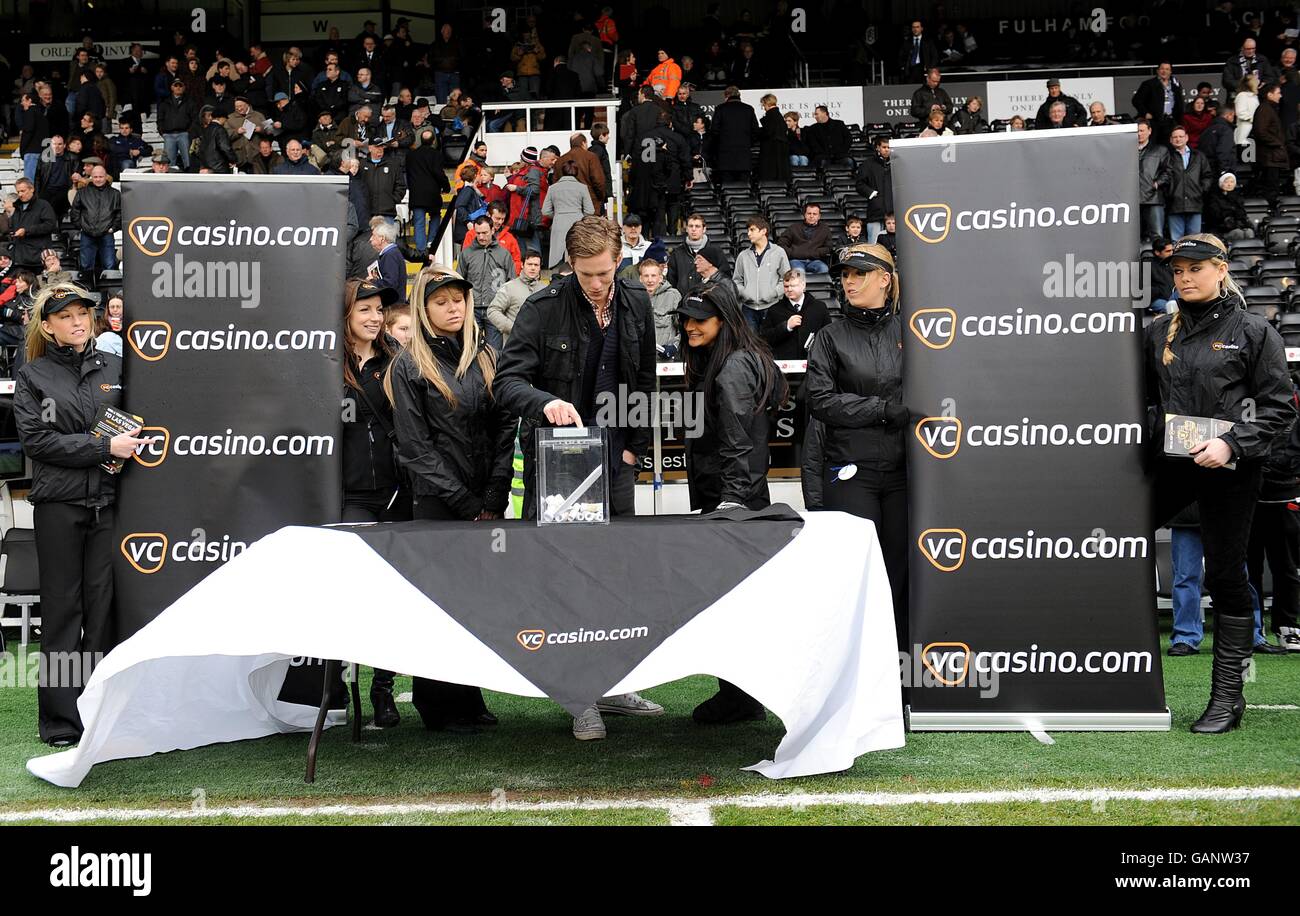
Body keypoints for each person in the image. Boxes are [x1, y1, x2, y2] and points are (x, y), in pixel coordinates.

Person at [493, 216, 662, 740]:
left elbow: (648, 381)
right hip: (557, 466)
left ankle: (614, 684)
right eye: (586, 273)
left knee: (616, 577)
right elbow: (506, 383)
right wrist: (547, 403)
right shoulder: (542, 308)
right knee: (567, 582)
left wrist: (635, 451)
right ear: (570, 265)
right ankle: (578, 694)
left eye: (605, 272)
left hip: (615, 462)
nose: (596, 283)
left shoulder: (635, 301)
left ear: (620, 261)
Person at [1144, 234, 1294, 732]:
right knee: (1115, 545)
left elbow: (1279, 408)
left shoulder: (1254, 330)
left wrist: (1232, 444)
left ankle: (1227, 698)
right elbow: (1139, 401)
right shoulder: (1157, 331)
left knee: (1226, 574)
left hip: (1231, 466)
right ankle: (1105, 673)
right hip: (1169, 463)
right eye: (1178, 270)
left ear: (1221, 269)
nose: (1184, 277)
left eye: (1195, 269)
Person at [14, 284, 150, 746]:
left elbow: (142, 424)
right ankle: (60, 723)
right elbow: (38, 444)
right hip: (59, 507)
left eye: (82, 314)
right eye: (66, 316)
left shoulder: (116, 367)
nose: (78, 322)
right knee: (62, 612)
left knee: (102, 610)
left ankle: (97, 712)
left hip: (109, 506)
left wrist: (123, 446)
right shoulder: (34, 375)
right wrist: (102, 447)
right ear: (47, 326)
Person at [385, 266, 513, 732]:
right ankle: (437, 704)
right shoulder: (408, 365)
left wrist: (496, 490)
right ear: (424, 307)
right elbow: (415, 447)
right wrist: (464, 501)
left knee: (476, 601)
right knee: (438, 603)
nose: (453, 307)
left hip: (486, 495)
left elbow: (504, 426)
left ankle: (469, 694)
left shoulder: (484, 351)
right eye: (441, 301)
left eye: (458, 298)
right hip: (440, 501)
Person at [675, 281, 788, 724]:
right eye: (685, 318)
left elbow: (739, 444)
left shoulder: (734, 368)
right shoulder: (731, 361)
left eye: (700, 319)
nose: (689, 327)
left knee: (732, 604)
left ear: (724, 320)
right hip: (733, 499)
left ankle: (742, 698)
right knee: (736, 603)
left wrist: (729, 505)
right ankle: (740, 696)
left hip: (733, 504)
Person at [807, 243, 909, 652]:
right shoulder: (830, 337)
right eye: (845, 274)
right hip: (851, 471)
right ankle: (855, 677)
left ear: (885, 279)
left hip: (905, 473)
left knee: (900, 576)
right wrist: (882, 409)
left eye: (858, 273)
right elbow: (820, 400)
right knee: (855, 577)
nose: (848, 281)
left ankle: (902, 679)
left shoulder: (912, 330)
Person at [340, 278, 411, 727]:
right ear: (346, 313)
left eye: (377, 309)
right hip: (349, 496)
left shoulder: (399, 361)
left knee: (392, 594)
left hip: (397, 492)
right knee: (351, 594)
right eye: (362, 308)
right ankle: (341, 689)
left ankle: (382, 689)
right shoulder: (324, 361)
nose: (372, 316)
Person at [460, 215, 517, 350]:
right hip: (472, 309)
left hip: (495, 310)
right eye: (478, 233)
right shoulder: (466, 254)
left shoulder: (504, 254)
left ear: (492, 230)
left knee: (494, 352)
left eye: (484, 232)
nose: (481, 237)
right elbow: (460, 282)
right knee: (472, 351)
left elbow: (511, 284)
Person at [732, 216, 790, 333]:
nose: (748, 234)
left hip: (772, 307)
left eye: (752, 230)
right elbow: (737, 280)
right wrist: (745, 293)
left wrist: (773, 293)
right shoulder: (743, 256)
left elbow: (786, 278)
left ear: (763, 231)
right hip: (748, 309)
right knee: (750, 345)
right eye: (748, 230)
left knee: (770, 343)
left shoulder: (778, 252)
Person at [760, 268, 831, 360]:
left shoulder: (819, 307)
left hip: (813, 363)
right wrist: (786, 327)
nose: (789, 289)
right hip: (785, 365)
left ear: (803, 285)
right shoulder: (774, 310)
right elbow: (765, 338)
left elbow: (828, 335)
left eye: (793, 286)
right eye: (786, 286)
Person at [540, 160, 594, 269]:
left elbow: (545, 211)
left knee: (557, 257)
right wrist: (580, 215)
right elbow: (590, 210)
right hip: (577, 223)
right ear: (576, 172)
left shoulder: (553, 188)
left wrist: (557, 215)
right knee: (576, 254)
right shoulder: (582, 188)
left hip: (559, 222)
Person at [69, 164, 120, 277]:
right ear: (91, 177)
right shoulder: (82, 192)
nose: (98, 179)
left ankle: (110, 293)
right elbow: (75, 211)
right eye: (95, 177)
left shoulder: (115, 194)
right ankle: (88, 292)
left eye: (100, 176)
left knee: (109, 266)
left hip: (107, 233)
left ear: (106, 176)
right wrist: (80, 226)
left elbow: (120, 213)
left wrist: (113, 228)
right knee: (86, 266)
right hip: (87, 234)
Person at [487, 250, 545, 346]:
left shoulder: (545, 289)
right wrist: (513, 328)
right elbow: (492, 311)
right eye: (529, 264)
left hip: (539, 347)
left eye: (536, 265)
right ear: (522, 265)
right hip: (514, 346)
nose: (533, 268)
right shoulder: (509, 287)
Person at [1166, 127, 1213, 240]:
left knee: (1195, 240)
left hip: (1195, 202)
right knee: (1176, 241)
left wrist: (1200, 190)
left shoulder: (1199, 156)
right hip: (1175, 203)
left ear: (1186, 138)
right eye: (1175, 137)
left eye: (1181, 136)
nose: (1178, 139)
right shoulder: (1167, 157)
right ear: (1170, 140)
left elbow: (1207, 176)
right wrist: (1170, 193)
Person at [706, 86, 758, 182]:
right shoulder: (749, 109)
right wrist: (748, 143)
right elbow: (755, 130)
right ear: (739, 95)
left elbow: (714, 130)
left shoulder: (720, 109)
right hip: (744, 156)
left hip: (725, 156)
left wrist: (719, 145)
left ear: (727, 96)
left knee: (727, 189)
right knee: (744, 189)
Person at [1252, 81, 1289, 203]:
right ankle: (1270, 212)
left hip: (1272, 157)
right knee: (1270, 188)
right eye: (1278, 93)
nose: (1280, 95)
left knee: (1273, 186)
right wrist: (1278, 143)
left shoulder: (1269, 109)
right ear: (1269, 94)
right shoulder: (1265, 109)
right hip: (1269, 157)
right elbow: (1260, 132)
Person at [10, 179, 58, 270]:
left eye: (23, 191)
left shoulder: (43, 205)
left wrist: (26, 231)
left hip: (37, 258)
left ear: (32, 189)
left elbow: (50, 225)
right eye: (18, 192)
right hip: (20, 258)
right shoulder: (17, 208)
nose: (20, 194)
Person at [1138, 120, 1174, 242]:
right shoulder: (1126, 150)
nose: (1139, 134)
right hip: (1132, 200)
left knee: (1156, 235)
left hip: (1154, 198)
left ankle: (1157, 261)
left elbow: (1168, 171)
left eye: (1142, 130)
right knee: (1133, 237)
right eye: (1136, 131)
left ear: (1149, 131)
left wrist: (1157, 183)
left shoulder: (1160, 150)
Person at [639, 255, 681, 357]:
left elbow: (683, 327)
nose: (650, 280)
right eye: (646, 276)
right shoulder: (633, 298)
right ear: (640, 278)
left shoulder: (673, 296)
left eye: (653, 275)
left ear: (660, 277)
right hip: (640, 359)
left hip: (666, 359)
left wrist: (675, 346)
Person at [855, 136, 893, 245]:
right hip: (875, 212)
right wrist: (872, 194)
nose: (887, 149)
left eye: (889, 147)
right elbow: (859, 184)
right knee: (873, 245)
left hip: (893, 214)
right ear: (878, 148)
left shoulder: (896, 163)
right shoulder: (868, 164)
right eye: (884, 147)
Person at [1133, 62, 1184, 142]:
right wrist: (1145, 113)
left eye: (1167, 69)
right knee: (1152, 144)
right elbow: (1136, 100)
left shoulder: (1175, 85)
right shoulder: (1149, 84)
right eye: (1162, 69)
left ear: (1170, 72)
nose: (1164, 71)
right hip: (1154, 121)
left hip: (1170, 121)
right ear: (1157, 71)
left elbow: (1179, 102)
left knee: (1170, 146)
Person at [778, 203, 833, 274]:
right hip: (796, 260)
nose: (811, 216)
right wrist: (793, 253)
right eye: (809, 213)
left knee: (824, 269)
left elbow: (828, 248)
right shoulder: (794, 227)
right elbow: (781, 244)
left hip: (815, 261)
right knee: (799, 272)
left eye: (814, 214)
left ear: (819, 216)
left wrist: (815, 253)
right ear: (805, 215)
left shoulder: (825, 229)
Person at [365, 217, 405, 300]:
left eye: (373, 235)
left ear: (382, 238)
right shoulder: (391, 253)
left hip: (393, 306)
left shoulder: (390, 255)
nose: (370, 239)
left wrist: (372, 282)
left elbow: (390, 283)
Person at [1205, 173, 1254, 241]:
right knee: (1238, 233)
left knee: (1249, 232)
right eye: (1226, 182)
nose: (1229, 184)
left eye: (1232, 182)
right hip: (1222, 230)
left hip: (1237, 227)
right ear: (1221, 183)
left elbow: (1242, 215)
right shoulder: (1213, 198)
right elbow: (1215, 217)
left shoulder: (1237, 197)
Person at [805, 105, 855, 170]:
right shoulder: (813, 129)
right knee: (822, 163)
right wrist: (824, 154)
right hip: (823, 157)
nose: (815, 116)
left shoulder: (839, 124)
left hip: (840, 155)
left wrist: (841, 151)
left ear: (824, 113)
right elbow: (813, 145)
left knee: (849, 161)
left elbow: (848, 139)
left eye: (817, 114)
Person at [757, 94, 789, 182]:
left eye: (763, 104)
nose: (763, 107)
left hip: (771, 150)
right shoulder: (778, 116)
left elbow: (768, 132)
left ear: (767, 103)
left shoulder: (771, 116)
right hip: (780, 149)